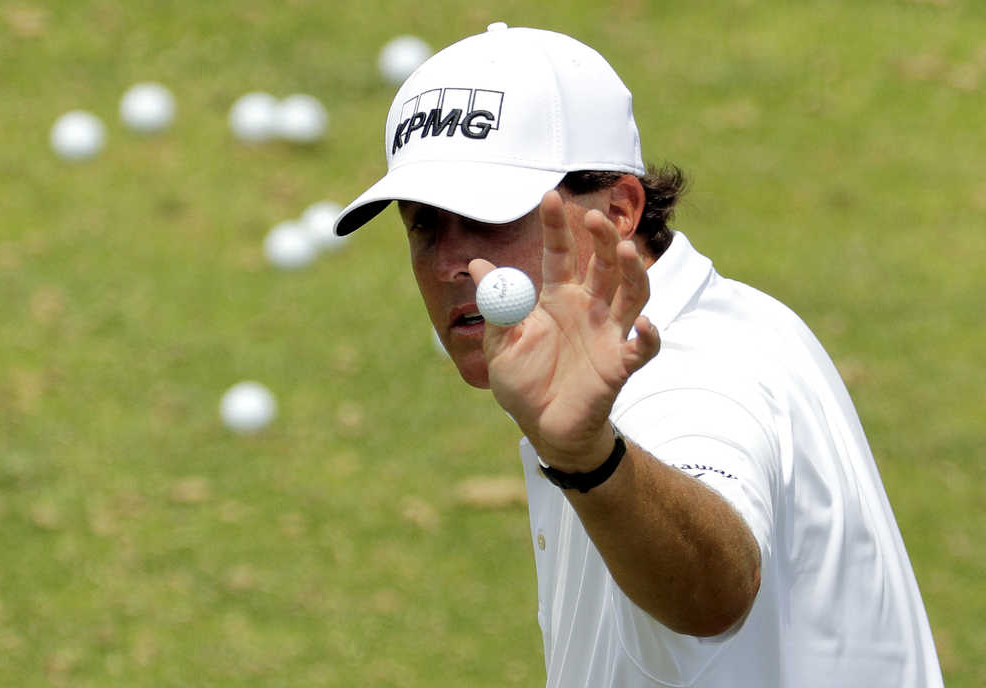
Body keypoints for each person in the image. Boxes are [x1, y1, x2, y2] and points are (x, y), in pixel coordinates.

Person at [333, 22, 944, 688]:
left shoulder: (689, 376)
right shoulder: (732, 316)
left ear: (620, 209)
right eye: (424, 222)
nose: (451, 261)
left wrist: (588, 461)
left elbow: (715, 594)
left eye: (490, 215)